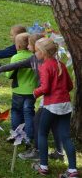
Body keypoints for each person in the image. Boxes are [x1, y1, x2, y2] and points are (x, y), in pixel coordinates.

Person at [0, 33, 64, 161]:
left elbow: (51, 85)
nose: (27, 46)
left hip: (50, 99)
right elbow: (15, 65)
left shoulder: (50, 64)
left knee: (37, 122)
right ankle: (56, 151)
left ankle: (38, 151)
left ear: (37, 48)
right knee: (43, 121)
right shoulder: (33, 59)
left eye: (29, 44)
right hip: (49, 98)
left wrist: (36, 92)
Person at [31, 38, 78, 177]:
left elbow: (45, 88)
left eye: (36, 50)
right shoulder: (61, 65)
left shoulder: (45, 66)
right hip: (65, 105)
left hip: (51, 105)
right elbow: (70, 86)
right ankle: (72, 171)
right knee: (66, 137)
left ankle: (44, 166)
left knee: (42, 133)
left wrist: (35, 92)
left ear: (43, 52)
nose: (34, 52)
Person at [4, 33, 37, 145]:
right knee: (29, 113)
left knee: (16, 111)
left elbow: (9, 75)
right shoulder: (35, 57)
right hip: (32, 90)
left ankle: (16, 134)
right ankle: (29, 137)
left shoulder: (15, 57)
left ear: (17, 46)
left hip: (18, 90)